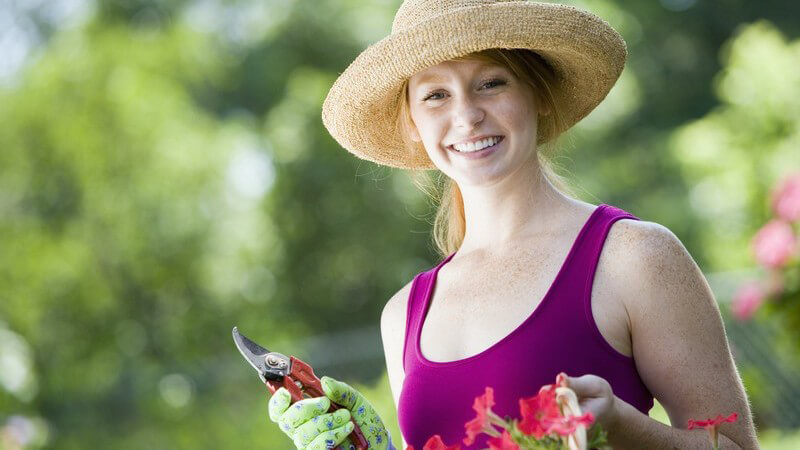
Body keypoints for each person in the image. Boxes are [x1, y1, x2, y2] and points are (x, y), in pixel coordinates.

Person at [267, 1, 761, 449]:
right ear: (414, 125)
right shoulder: (402, 316)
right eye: (436, 95)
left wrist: (621, 424)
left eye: (491, 83)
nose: (466, 115)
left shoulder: (633, 257)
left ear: (538, 94)